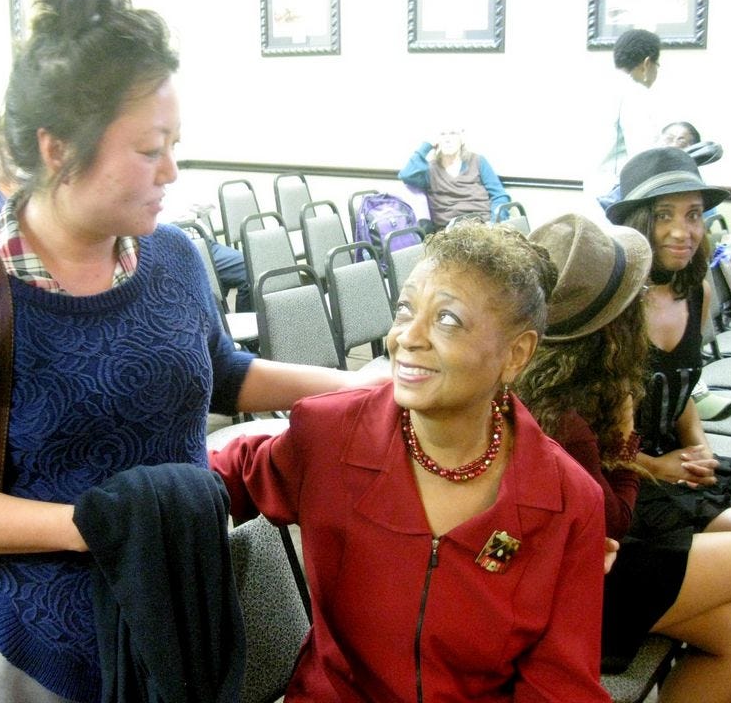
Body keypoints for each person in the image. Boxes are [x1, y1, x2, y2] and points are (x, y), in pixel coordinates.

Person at [0, 0, 385, 703]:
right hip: (56, 648)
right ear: (57, 149)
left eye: (176, 144)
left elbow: (221, 370)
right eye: (151, 150)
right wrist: (91, 526)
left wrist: (355, 386)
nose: (173, 172)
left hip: (185, 607)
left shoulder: (173, 254)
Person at [211, 221, 611, 701]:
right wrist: (122, 500)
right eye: (405, 309)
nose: (406, 338)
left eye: (447, 319)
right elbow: (227, 473)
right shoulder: (328, 437)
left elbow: (559, 686)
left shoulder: (568, 501)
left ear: (515, 354)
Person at [519, 212, 731, 703]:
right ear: (614, 324)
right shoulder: (564, 419)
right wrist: (628, 438)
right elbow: (614, 522)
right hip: (575, 588)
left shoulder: (569, 384)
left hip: (592, 561)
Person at [605, 147, 731, 535]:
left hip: (674, 458)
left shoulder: (697, 293)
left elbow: (682, 389)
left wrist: (699, 449)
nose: (682, 231)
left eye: (693, 214)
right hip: (626, 476)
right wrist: (660, 467)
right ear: (639, 223)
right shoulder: (614, 308)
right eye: (663, 215)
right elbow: (591, 437)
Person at [586, 28, 662, 216]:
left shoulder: (599, 88)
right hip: (619, 199)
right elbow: (643, 156)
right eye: (657, 65)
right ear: (646, 64)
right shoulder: (634, 93)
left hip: (595, 193)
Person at [397, 127, 510, 229]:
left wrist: (495, 224)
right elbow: (406, 175)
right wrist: (426, 145)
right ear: (436, 140)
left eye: (452, 133)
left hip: (483, 226)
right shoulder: (429, 169)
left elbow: (500, 196)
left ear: (462, 138)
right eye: (442, 134)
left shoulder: (478, 161)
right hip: (450, 233)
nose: (447, 139)